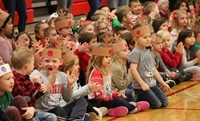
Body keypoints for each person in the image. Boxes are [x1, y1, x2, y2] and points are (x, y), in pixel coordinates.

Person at [87, 43, 149, 117]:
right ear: (97, 59)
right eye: (106, 57)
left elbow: (108, 89)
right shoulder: (96, 73)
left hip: (106, 99)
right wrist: (112, 97)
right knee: (119, 101)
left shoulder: (106, 70)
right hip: (99, 102)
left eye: (110, 56)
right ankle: (134, 107)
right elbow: (98, 95)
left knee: (122, 98)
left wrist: (116, 95)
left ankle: (112, 111)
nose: (109, 59)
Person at [33, 46, 89, 121]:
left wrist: (69, 85)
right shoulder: (37, 76)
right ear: (41, 62)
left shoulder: (62, 76)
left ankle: (74, 119)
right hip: (44, 112)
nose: (50, 64)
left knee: (81, 100)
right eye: (47, 61)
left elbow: (67, 99)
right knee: (58, 110)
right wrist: (49, 85)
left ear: (61, 62)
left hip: (58, 109)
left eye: (54, 61)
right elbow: (38, 101)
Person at [129, 23, 170, 109]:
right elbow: (133, 70)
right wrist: (142, 84)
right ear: (136, 39)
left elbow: (153, 69)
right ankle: (137, 96)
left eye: (149, 37)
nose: (148, 39)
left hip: (152, 84)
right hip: (141, 87)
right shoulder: (136, 52)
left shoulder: (148, 50)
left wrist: (163, 83)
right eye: (144, 37)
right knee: (157, 105)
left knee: (165, 102)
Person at [11, 47, 57, 121]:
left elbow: (34, 96)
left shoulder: (26, 77)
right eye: (33, 63)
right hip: (25, 115)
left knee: (52, 117)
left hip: (33, 110)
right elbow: (27, 98)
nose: (34, 66)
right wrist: (37, 84)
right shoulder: (15, 80)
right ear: (26, 66)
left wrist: (42, 89)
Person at [61, 50, 107, 120]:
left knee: (89, 101)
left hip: (71, 105)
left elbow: (77, 94)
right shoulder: (63, 78)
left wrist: (90, 89)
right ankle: (78, 118)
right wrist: (86, 88)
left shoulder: (74, 76)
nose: (79, 66)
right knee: (82, 101)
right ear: (68, 66)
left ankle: (86, 115)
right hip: (64, 107)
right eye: (76, 64)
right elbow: (71, 97)